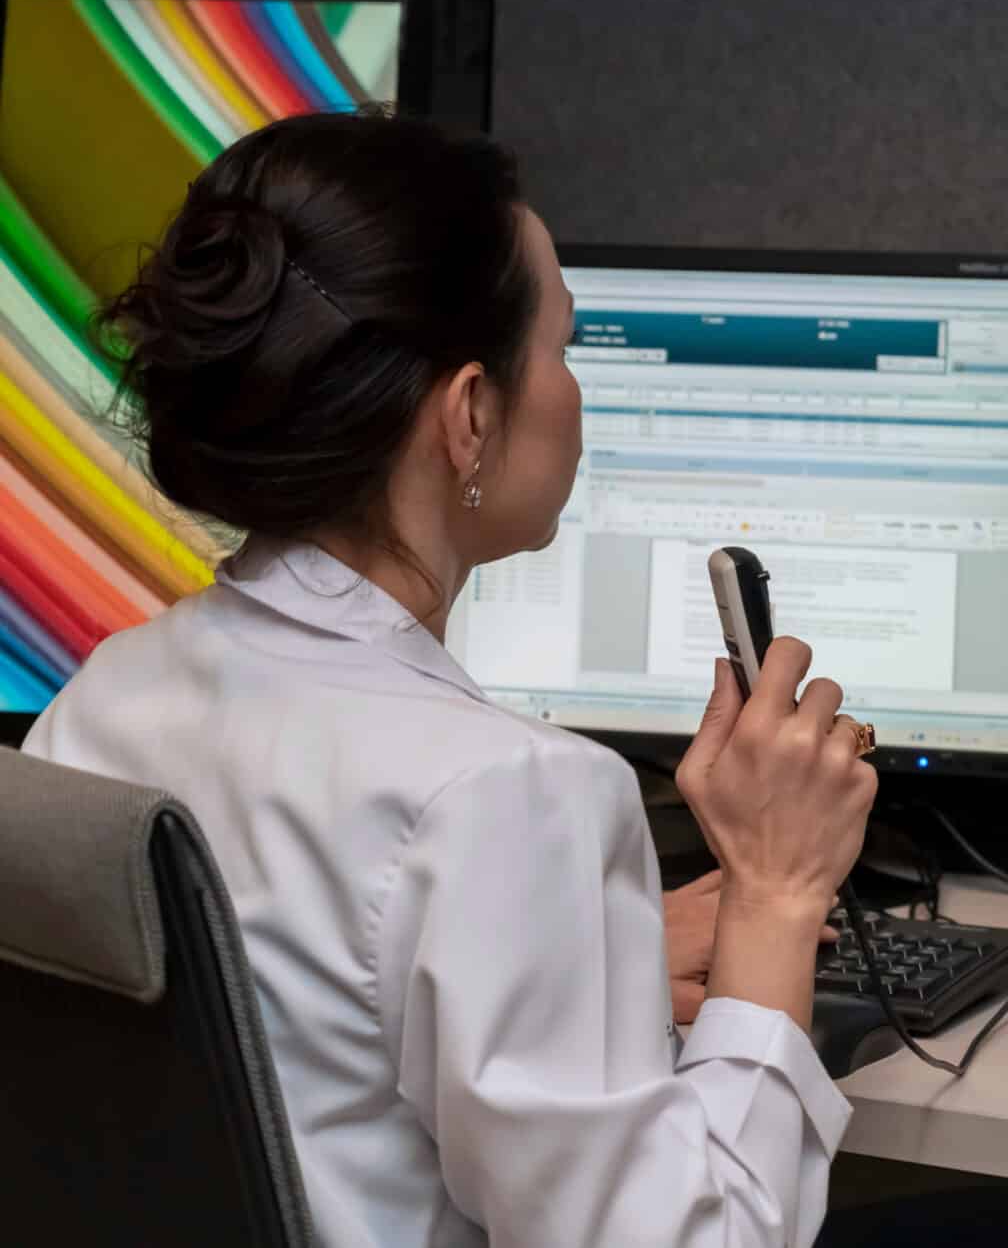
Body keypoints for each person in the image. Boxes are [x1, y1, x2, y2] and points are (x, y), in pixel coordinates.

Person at [23, 110, 876, 1247]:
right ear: (470, 415)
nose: (573, 391)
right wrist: (776, 894)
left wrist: (587, 943)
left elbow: (298, 1014)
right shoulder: (507, 794)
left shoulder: (103, 699)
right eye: (563, 348)